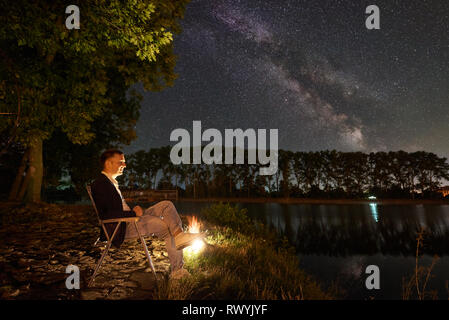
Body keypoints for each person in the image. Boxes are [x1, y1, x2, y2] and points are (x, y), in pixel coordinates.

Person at [90, 149, 204, 279]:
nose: (125, 165)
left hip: (131, 218)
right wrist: (132, 213)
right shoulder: (100, 184)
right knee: (167, 228)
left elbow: (116, 207)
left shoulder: (110, 182)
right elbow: (106, 215)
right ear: (108, 163)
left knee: (166, 205)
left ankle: (180, 236)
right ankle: (177, 271)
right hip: (122, 226)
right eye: (121, 162)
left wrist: (135, 211)